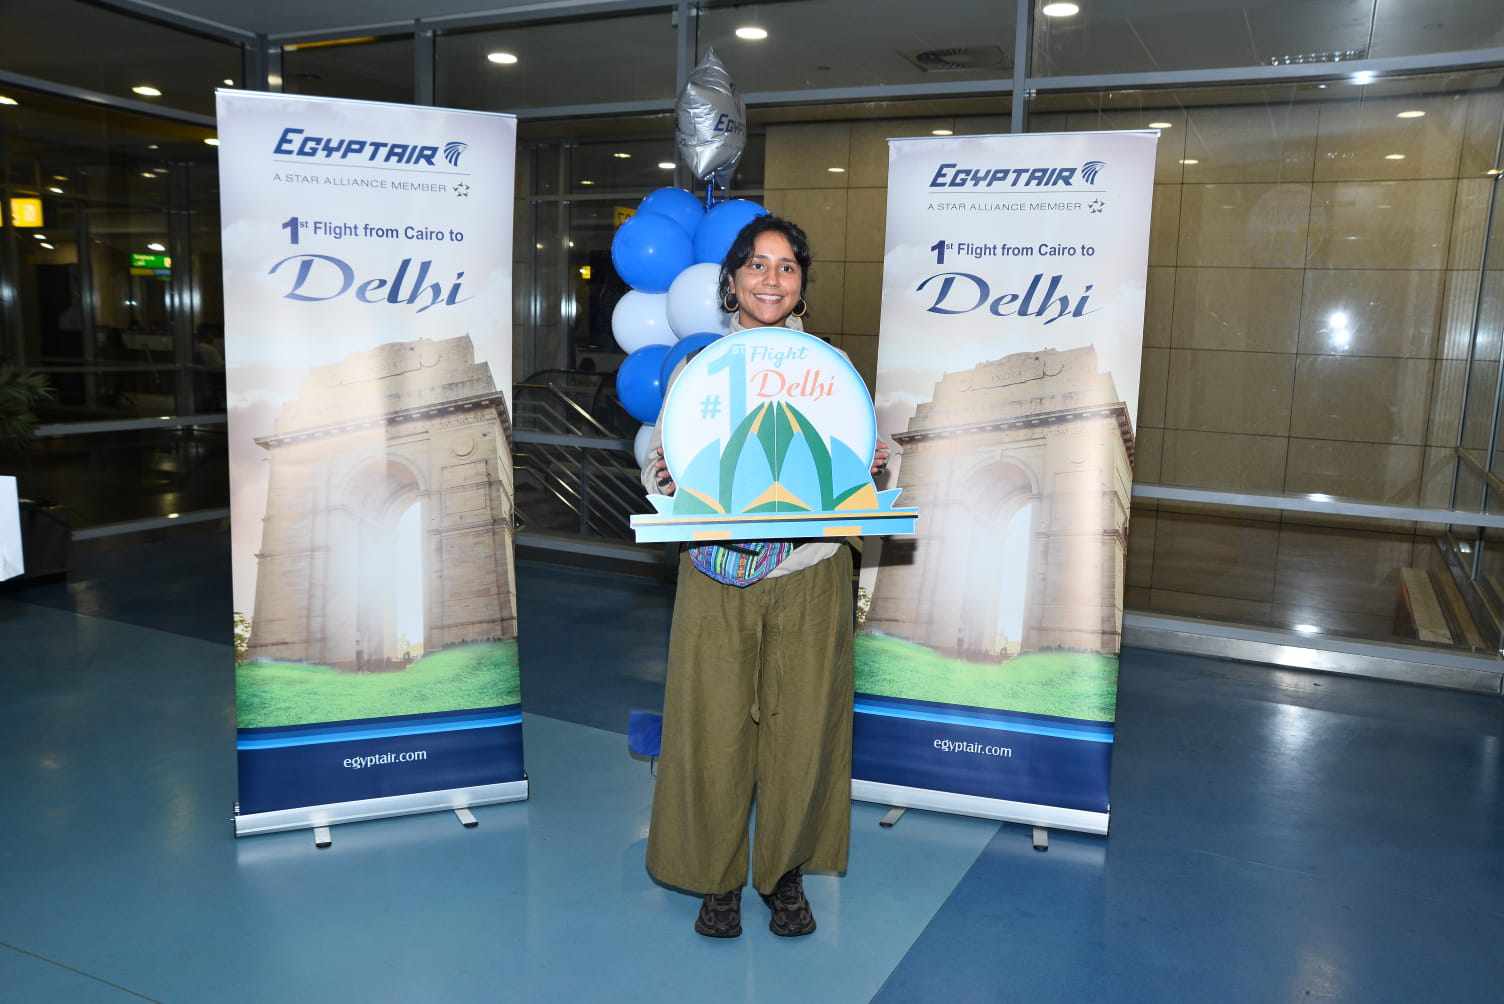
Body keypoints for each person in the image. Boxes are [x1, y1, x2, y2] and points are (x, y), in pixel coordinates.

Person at [640, 215, 889, 939]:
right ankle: (714, 878)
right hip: (714, 571)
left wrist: (873, 465)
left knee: (804, 727)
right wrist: (663, 474)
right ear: (731, 281)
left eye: (786, 266)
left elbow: (862, 461)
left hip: (811, 568)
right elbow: (663, 458)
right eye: (756, 264)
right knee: (710, 726)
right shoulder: (699, 370)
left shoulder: (831, 370)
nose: (771, 279)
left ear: (802, 282)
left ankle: (785, 875)